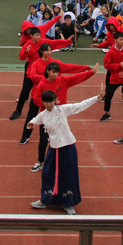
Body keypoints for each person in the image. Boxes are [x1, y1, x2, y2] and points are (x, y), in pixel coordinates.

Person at [26, 83, 106, 215]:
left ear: (55, 101)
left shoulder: (63, 109)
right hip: (53, 149)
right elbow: (34, 121)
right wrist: (31, 124)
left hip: (68, 147)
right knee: (47, 174)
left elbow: (81, 105)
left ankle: (67, 203)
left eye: (50, 102)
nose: (48, 104)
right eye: (45, 102)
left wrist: (97, 97)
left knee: (68, 175)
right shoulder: (43, 115)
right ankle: (46, 199)